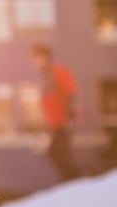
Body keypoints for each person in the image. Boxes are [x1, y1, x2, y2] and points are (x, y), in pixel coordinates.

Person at [32, 43, 80, 182]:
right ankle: (69, 183)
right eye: (35, 58)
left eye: (39, 58)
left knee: (60, 154)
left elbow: (71, 93)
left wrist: (69, 117)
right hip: (54, 125)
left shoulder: (59, 72)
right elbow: (47, 103)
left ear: (47, 57)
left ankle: (75, 183)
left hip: (63, 123)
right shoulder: (45, 77)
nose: (36, 62)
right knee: (54, 153)